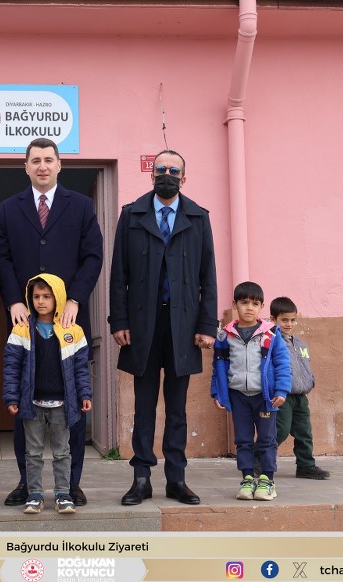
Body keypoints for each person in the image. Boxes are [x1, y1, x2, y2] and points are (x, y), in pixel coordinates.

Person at [0, 137, 103, 507]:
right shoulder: (9, 208)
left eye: (48, 160)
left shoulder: (82, 206)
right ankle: (29, 483)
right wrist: (12, 300)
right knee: (26, 405)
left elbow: (93, 256)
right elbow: (2, 259)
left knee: (70, 405)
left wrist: (74, 298)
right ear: (25, 167)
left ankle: (70, 484)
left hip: (67, 322)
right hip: (26, 320)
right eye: (35, 160)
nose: (42, 166)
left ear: (60, 165)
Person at [109, 149, 218, 506]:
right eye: (161, 169)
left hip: (184, 327)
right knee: (143, 407)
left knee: (176, 408)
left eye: (174, 170)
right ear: (151, 175)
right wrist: (119, 321)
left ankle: (177, 479)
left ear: (184, 178)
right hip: (142, 325)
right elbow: (118, 275)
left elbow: (208, 277)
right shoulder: (132, 216)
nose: (167, 174)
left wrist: (207, 324)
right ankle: (141, 478)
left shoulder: (198, 218)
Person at [2, 274, 92, 514]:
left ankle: (63, 494)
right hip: (32, 403)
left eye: (47, 296)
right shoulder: (21, 330)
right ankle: (35, 495)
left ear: (58, 298)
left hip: (63, 403)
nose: (41, 301)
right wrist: (12, 398)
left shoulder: (72, 331)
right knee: (32, 452)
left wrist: (85, 394)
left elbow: (81, 369)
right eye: (36, 297)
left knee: (62, 451)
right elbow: (11, 367)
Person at [211, 281, 291, 501]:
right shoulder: (224, 335)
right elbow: (218, 366)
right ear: (234, 304)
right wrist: (218, 392)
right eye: (244, 302)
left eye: (255, 303)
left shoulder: (271, 334)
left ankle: (267, 480)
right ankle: (247, 478)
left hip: (265, 397)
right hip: (238, 397)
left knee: (266, 439)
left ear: (262, 307)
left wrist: (282, 390)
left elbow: (282, 363)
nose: (249, 307)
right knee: (243, 440)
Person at [269, 296, 330, 479]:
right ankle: (258, 458)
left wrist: (310, 380)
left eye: (292, 320)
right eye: (284, 320)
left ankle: (305, 466)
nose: (289, 324)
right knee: (281, 430)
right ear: (273, 319)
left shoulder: (301, 344)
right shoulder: (272, 342)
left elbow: (304, 366)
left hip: (301, 396)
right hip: (283, 395)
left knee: (304, 432)